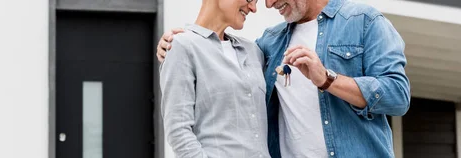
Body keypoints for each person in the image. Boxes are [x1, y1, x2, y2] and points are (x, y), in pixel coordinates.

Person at [157, 0, 411, 157]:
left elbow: (398, 96)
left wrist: (326, 79)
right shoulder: (268, 43)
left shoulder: (364, 22)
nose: (267, 5)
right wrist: (175, 42)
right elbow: (219, 62)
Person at [159, 0, 272, 157]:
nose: (253, 8)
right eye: (249, 0)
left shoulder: (253, 51)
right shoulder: (183, 46)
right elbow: (178, 130)